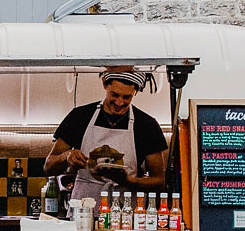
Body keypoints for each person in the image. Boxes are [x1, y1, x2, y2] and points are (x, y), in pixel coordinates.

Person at [44, 68, 168, 203]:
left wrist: (129, 181)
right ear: (105, 84)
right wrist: (66, 157)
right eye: (114, 95)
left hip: (125, 213)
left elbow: (159, 182)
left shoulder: (147, 125)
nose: (119, 102)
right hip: (84, 209)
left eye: (127, 97)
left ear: (136, 91)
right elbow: (48, 167)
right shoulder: (79, 117)